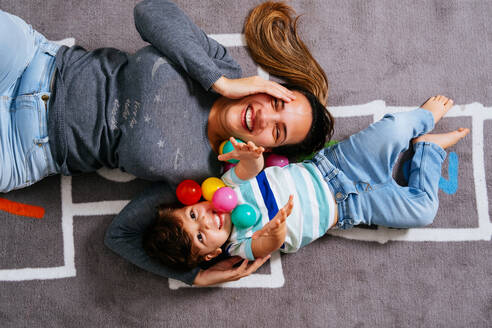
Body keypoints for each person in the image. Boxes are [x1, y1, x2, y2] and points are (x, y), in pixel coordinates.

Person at [0, 1, 332, 285]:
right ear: (267, 88)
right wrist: (220, 83)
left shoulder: (205, 181)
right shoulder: (223, 68)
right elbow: (149, 11)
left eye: (277, 131)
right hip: (34, 62)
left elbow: (120, 237)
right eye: (276, 104)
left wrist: (195, 277)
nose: (264, 118)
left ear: (269, 149)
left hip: (25, 149)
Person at [142, 96, 469, 270]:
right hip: (353, 207)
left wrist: (249, 155)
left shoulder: (227, 188)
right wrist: (274, 234)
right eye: (201, 236)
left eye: (194, 215)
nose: (207, 220)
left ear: (194, 201)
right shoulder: (239, 244)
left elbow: (252, 168)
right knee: (422, 212)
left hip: (334, 165)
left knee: (394, 130)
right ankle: (429, 149)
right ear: (211, 254)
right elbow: (264, 247)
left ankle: (422, 118)